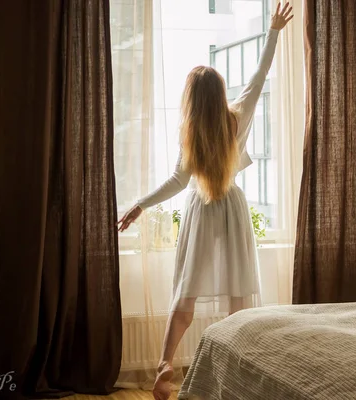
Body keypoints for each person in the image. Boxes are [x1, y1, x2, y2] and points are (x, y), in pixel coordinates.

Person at [117, 3, 293, 399]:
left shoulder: (191, 131)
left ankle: (164, 364)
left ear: (194, 99)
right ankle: (240, 369)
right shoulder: (236, 116)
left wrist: (140, 205)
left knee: (186, 293)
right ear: (219, 94)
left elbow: (178, 180)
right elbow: (259, 77)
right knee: (238, 300)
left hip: (201, 211)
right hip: (231, 209)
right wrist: (274, 32)